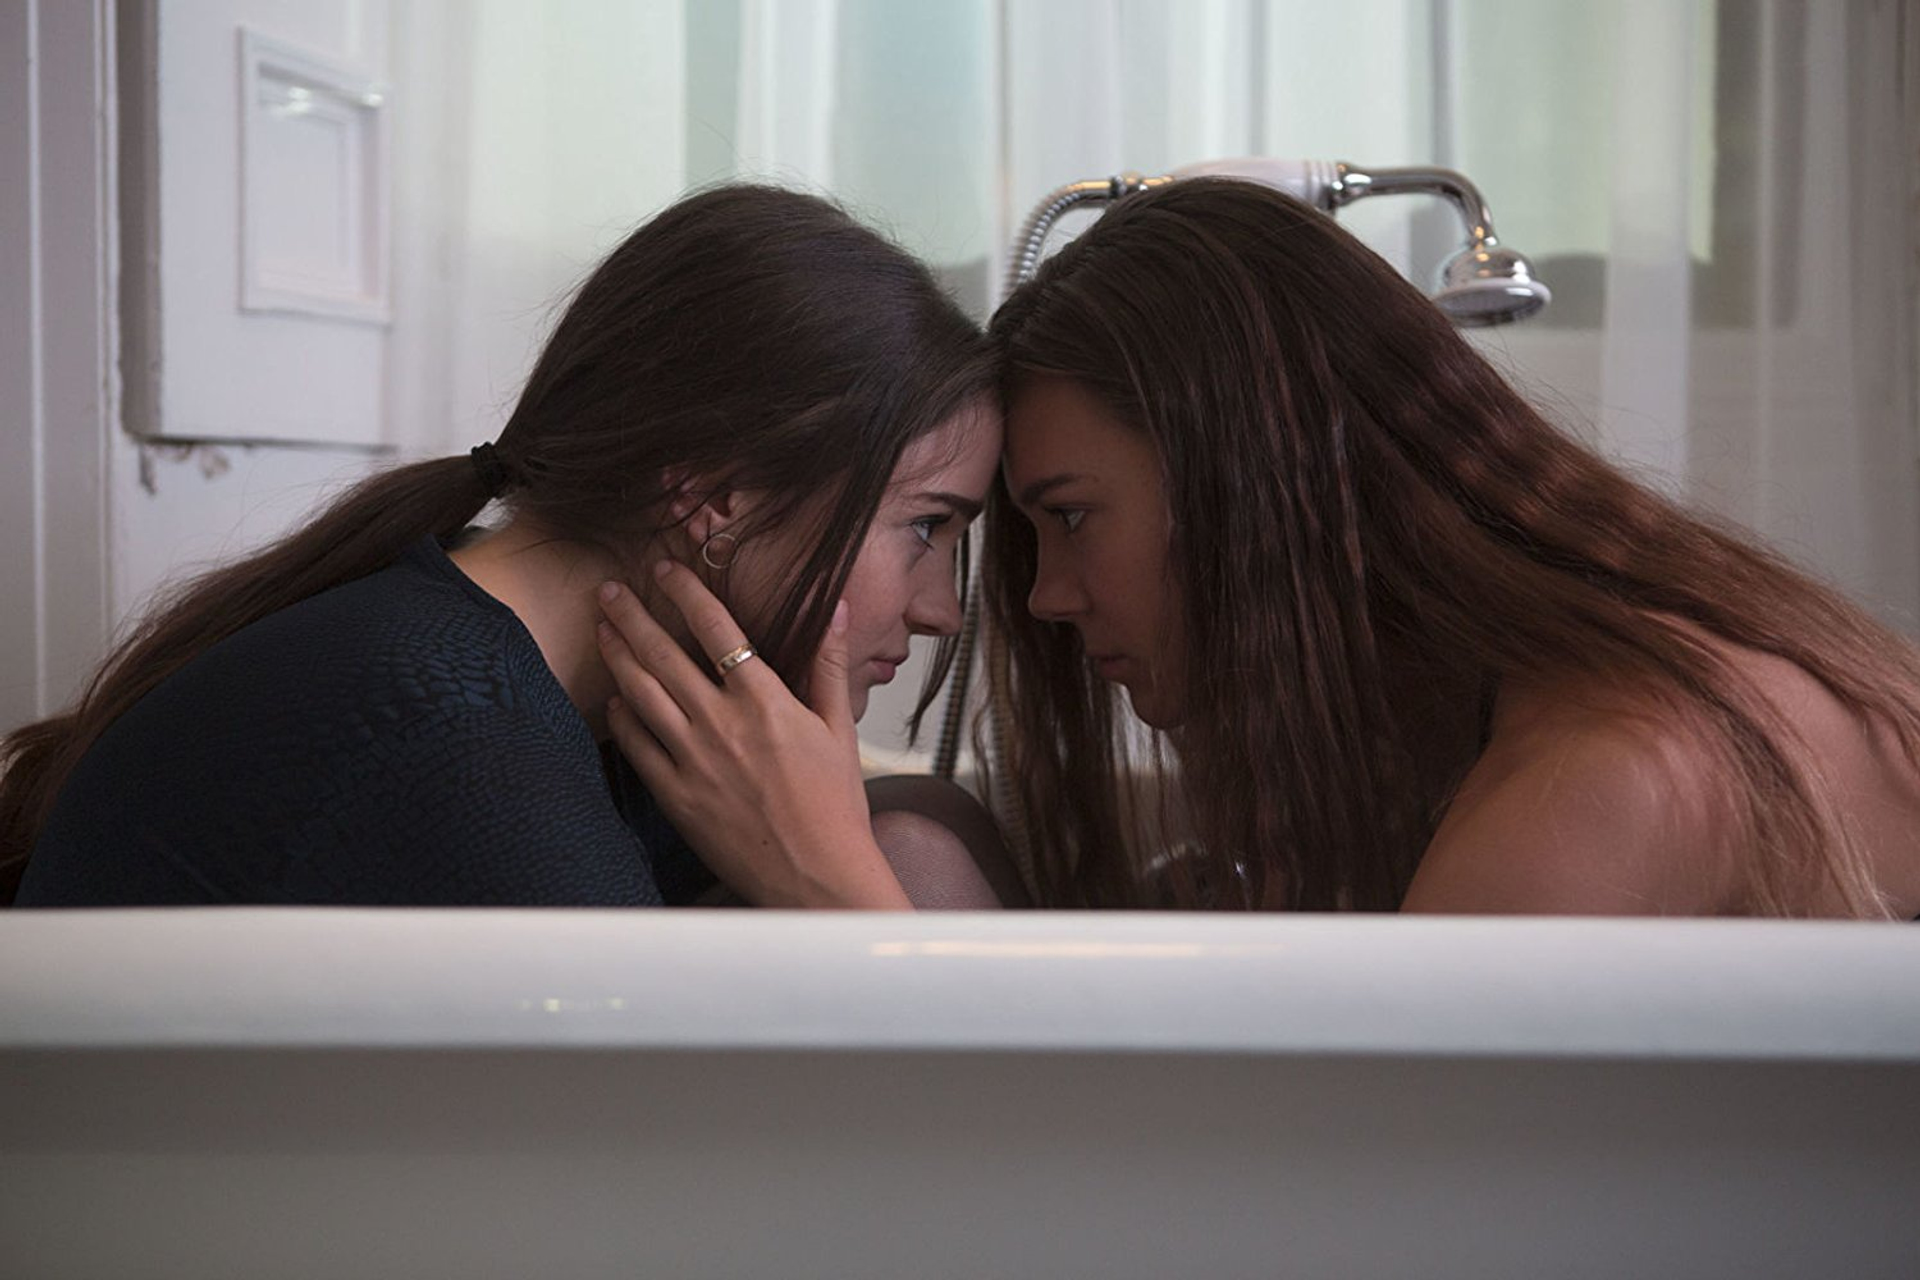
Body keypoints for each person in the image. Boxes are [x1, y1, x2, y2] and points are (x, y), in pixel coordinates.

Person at [2, 184, 1002, 909]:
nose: (942, 610)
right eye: (925, 526)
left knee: (922, 835)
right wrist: (838, 890)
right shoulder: (453, 742)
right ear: (715, 494)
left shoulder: (515, 681)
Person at [981, 177, 1920, 917]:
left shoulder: (1595, 782)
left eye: (1070, 517)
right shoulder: (1551, 700)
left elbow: (1367, 1120)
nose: (1046, 597)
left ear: (1246, 481)